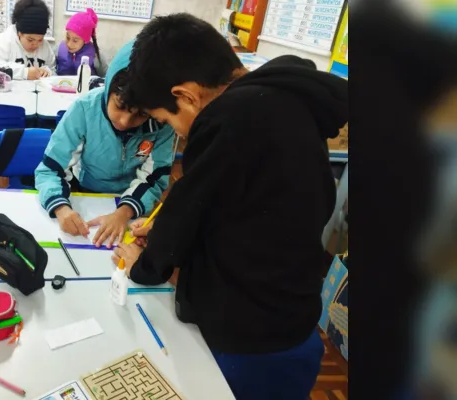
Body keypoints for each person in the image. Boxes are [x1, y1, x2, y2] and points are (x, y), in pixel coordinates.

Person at [114, 14, 348, 399]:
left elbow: (185, 213)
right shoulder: (283, 98)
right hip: (293, 320)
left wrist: (142, 264)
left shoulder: (231, 117)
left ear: (187, 95)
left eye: (166, 119)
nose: (177, 131)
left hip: (251, 340)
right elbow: (238, 203)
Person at [34, 41, 174, 249]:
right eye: (120, 106)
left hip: (133, 203)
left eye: (142, 114)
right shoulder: (84, 110)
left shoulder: (161, 125)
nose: (126, 121)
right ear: (108, 88)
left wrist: (123, 212)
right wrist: (61, 208)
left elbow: (154, 179)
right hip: (85, 193)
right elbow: (49, 170)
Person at [0, 0, 56, 80]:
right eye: (30, 40)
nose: (35, 44)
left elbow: (53, 70)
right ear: (19, 33)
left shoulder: (45, 47)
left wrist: (48, 72)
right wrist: (24, 73)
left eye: (40, 40)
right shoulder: (6, 40)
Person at [56, 8, 104, 76]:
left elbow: (107, 77)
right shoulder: (59, 49)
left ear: (85, 41)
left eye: (75, 40)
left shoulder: (95, 55)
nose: (69, 44)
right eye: (67, 37)